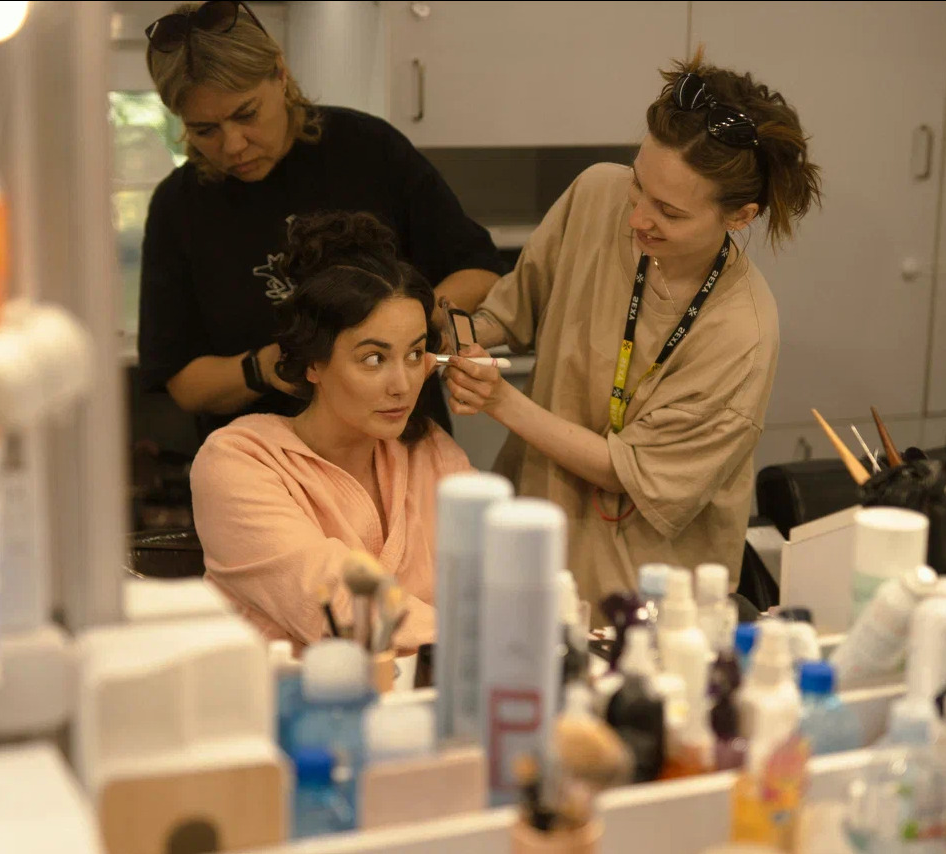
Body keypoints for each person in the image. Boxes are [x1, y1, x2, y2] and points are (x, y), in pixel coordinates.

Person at [441, 51, 822, 615]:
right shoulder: (597, 194)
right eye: (639, 185)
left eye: (669, 212)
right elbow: (514, 310)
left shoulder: (741, 332)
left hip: (644, 594)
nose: (639, 217)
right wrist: (458, 335)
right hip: (534, 531)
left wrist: (500, 401)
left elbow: (628, 471)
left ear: (740, 216)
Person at [138, 0, 504, 440]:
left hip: (401, 444)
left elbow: (479, 272)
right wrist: (264, 366)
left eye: (246, 114)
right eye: (204, 130)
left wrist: (402, 329)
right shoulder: (178, 207)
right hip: (264, 458)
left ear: (280, 73)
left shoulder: (369, 150)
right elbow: (184, 382)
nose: (233, 145)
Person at [190, 212, 473, 648]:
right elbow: (342, 607)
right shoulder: (237, 463)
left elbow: (493, 581)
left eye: (415, 355)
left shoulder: (432, 451)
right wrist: (483, 641)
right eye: (374, 359)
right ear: (313, 364)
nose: (402, 385)